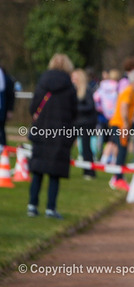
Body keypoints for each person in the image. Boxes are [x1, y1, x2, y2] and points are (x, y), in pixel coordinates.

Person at [27, 54, 77, 219]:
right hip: (60, 133)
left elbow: (33, 107)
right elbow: (74, 112)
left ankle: (32, 205)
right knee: (55, 172)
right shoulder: (69, 87)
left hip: (42, 130)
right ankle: (50, 208)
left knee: (38, 171)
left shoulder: (42, 83)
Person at [108, 69, 134, 190]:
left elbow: (128, 109)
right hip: (120, 125)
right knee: (122, 151)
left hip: (123, 124)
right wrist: (125, 124)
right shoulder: (129, 91)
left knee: (123, 150)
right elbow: (123, 106)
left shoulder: (132, 91)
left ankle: (119, 177)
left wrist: (133, 119)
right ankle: (117, 178)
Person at [71, 69, 98, 179]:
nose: (72, 80)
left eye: (74, 78)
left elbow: (90, 106)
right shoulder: (74, 90)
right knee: (67, 143)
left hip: (86, 123)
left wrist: (76, 108)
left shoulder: (87, 90)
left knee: (86, 147)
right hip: (76, 123)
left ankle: (89, 172)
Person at [94, 69, 120, 163]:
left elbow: (96, 98)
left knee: (106, 139)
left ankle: (104, 158)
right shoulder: (118, 87)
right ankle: (112, 159)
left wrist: (101, 108)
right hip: (115, 117)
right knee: (114, 140)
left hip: (104, 116)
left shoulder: (102, 86)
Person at [0, 66, 16, 147]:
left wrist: (9, 109)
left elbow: (10, 95)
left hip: (2, 109)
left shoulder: (6, 79)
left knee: (1, 129)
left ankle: (3, 147)